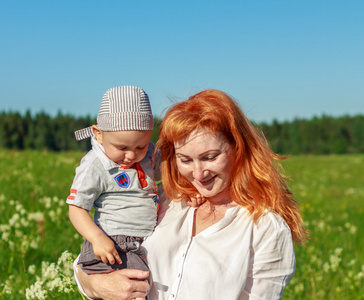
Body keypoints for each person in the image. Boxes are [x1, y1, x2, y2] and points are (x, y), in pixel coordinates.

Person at [74, 89, 307, 300]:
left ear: (238, 147)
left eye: (210, 157)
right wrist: (97, 285)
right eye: (185, 160)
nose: (198, 173)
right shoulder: (166, 198)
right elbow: (86, 262)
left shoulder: (266, 227)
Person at [67, 85, 164, 279]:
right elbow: (76, 208)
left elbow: (171, 174)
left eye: (140, 145)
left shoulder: (150, 154)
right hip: (114, 243)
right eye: (121, 147)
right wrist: (97, 238)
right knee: (134, 288)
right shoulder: (95, 165)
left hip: (146, 240)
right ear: (99, 134)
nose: (131, 155)